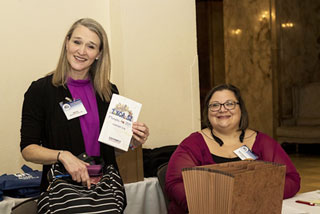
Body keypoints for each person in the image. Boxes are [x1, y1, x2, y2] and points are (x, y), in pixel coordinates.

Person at [20, 18, 149, 192]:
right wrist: (62, 156)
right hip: (63, 194)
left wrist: (132, 141)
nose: (81, 51)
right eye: (77, 42)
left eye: (91, 46)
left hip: (106, 192)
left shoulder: (108, 92)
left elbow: (109, 151)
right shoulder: (41, 90)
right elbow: (28, 150)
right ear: (67, 43)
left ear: (99, 54)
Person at [165, 84, 300, 214]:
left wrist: (253, 196)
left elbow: (291, 179)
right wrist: (213, 205)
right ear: (208, 112)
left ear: (241, 108)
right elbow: (174, 183)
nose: (222, 109)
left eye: (230, 104)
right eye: (215, 105)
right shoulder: (193, 144)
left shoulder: (263, 142)